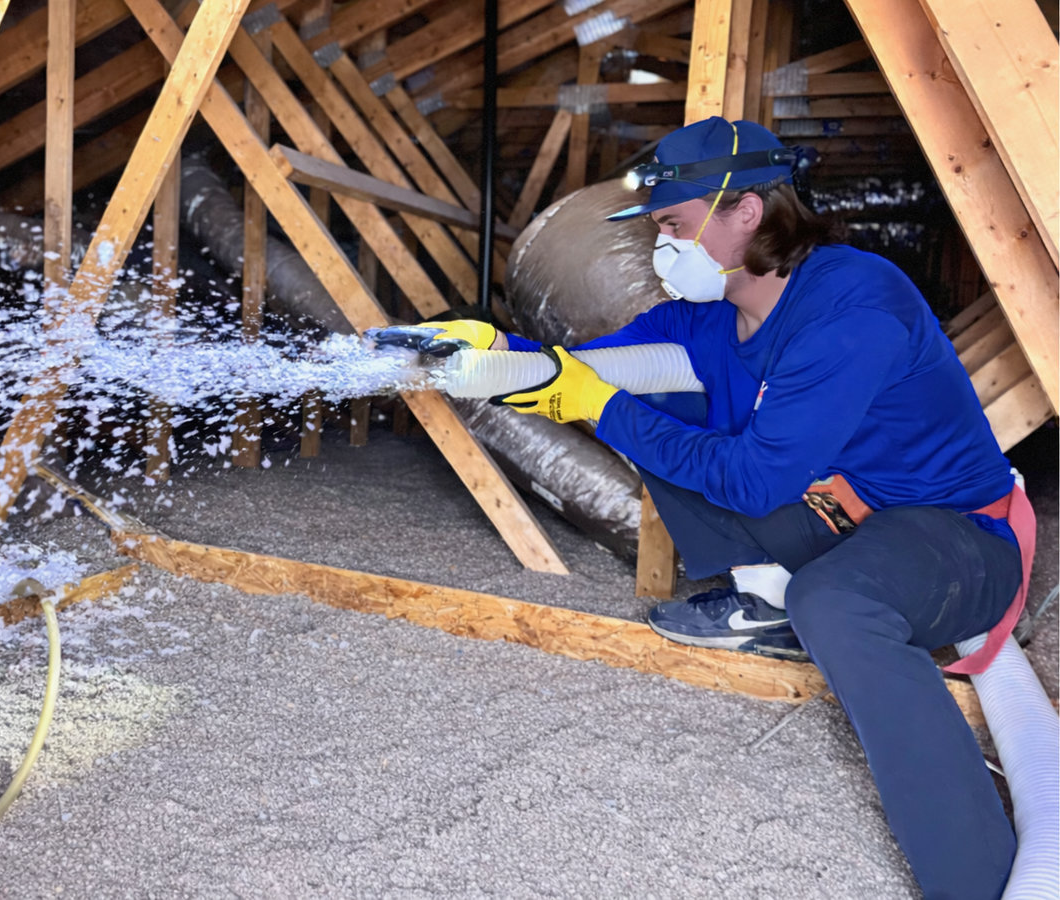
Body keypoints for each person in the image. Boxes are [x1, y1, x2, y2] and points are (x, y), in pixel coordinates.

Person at [414, 117, 1034, 900]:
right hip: (842, 514)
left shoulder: (853, 305)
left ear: (746, 212)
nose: (661, 246)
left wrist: (599, 405)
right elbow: (594, 371)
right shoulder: (705, 317)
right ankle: (770, 602)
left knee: (834, 601)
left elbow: (753, 483)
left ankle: (974, 880)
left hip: (959, 540)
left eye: (672, 225)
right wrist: (490, 353)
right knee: (657, 408)